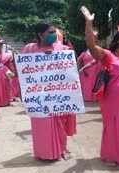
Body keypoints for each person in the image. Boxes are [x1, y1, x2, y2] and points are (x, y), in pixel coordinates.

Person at [81, 6, 119, 168]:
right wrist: (88, 24)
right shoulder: (108, 56)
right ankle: (111, 155)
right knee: (113, 128)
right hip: (111, 99)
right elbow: (92, 47)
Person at [22, 23, 77, 160]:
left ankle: (62, 149)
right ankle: (43, 152)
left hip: (57, 95)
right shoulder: (29, 49)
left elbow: (71, 69)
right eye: (50, 32)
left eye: (55, 32)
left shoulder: (62, 49)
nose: (54, 35)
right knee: (41, 125)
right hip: (38, 96)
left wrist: (56, 57)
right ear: (40, 35)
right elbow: (24, 71)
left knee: (59, 124)